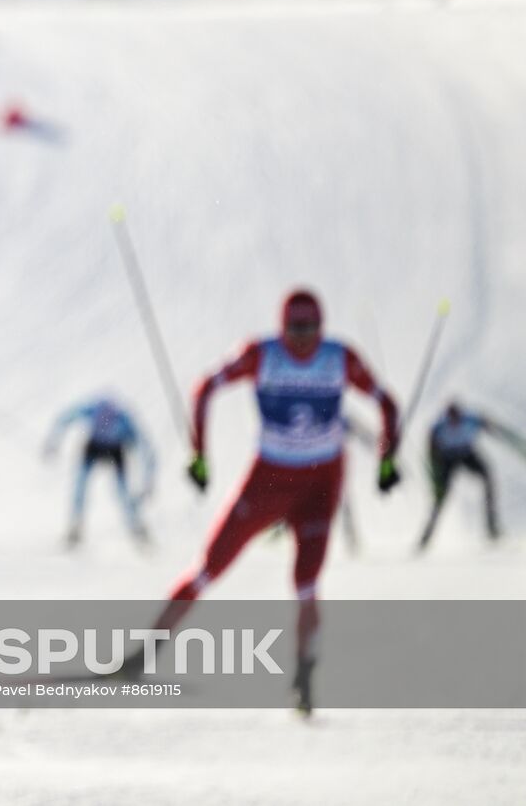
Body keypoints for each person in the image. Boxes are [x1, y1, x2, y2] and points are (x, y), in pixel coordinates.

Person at [131, 289, 400, 715]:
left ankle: (303, 682)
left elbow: (387, 403)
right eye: (295, 328)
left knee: (307, 586)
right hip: (268, 481)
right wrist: (200, 454)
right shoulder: (262, 355)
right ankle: (142, 656)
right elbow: (205, 387)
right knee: (208, 567)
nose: (303, 338)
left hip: (320, 485)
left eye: (311, 328)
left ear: (322, 326)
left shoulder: (339, 358)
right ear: (282, 326)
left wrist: (387, 460)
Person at [41, 396, 155, 546]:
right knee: (80, 486)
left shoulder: (123, 419)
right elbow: (66, 417)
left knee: (122, 492)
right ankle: (75, 527)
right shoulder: (95, 409)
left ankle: (136, 528)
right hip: (93, 447)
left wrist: (148, 478)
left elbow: (143, 446)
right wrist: (53, 441)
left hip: (114, 450)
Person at [418, 402, 524, 549]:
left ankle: (491, 526)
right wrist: (436, 478)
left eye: (457, 418)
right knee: (441, 496)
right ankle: (426, 536)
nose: (454, 422)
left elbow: (493, 427)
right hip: (446, 458)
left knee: (487, 477)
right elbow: (430, 454)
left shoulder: (470, 420)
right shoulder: (438, 428)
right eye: (451, 419)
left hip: (466, 453)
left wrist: (516, 443)